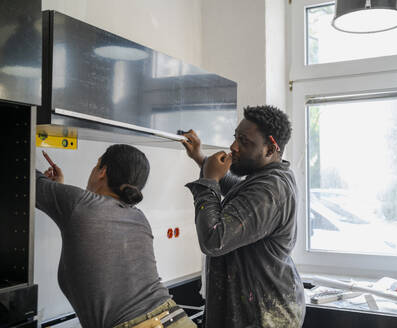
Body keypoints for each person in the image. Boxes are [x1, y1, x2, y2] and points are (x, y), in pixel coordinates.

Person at [36, 144, 196, 328]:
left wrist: (55, 190)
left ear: (102, 171)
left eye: (96, 166)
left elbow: (28, 178)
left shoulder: (78, 205)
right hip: (176, 319)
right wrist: (57, 191)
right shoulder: (138, 217)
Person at [181, 105, 305, 328]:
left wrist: (209, 181)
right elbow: (239, 195)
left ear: (270, 149)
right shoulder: (269, 177)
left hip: (262, 317)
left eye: (244, 142)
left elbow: (214, 240)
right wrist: (201, 159)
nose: (233, 147)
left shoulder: (270, 190)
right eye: (235, 137)